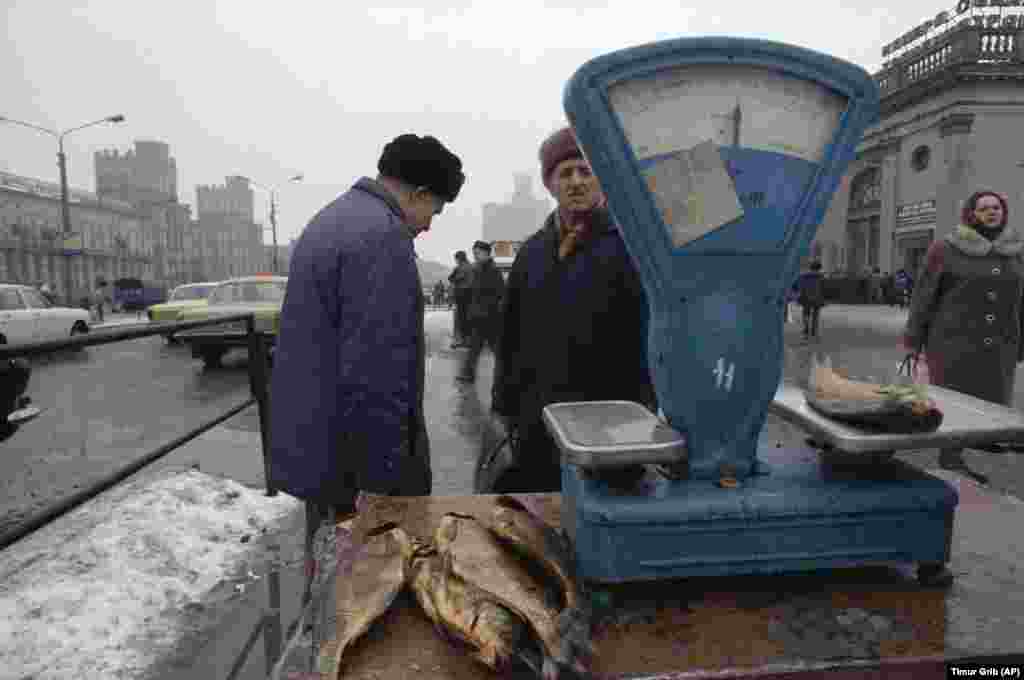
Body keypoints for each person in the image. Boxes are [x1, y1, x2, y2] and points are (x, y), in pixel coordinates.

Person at [268, 133, 464, 524]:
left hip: (321, 450)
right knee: (373, 560)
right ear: (420, 194)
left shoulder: (333, 218)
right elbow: (377, 370)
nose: (428, 226)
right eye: (435, 211)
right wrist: (383, 483)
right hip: (358, 470)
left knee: (332, 554)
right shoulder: (383, 236)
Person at [490, 127, 656, 493]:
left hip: (613, 425)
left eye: (585, 171)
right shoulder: (532, 253)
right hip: (539, 422)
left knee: (607, 511)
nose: (576, 182)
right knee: (540, 514)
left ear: (602, 179)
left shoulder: (633, 247)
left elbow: (654, 334)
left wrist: (649, 408)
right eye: (565, 173)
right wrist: (503, 405)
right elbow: (510, 336)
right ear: (550, 184)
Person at [904, 190, 1023, 485]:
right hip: (953, 340)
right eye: (984, 208)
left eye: (996, 207)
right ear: (971, 213)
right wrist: (913, 340)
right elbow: (923, 296)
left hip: (1000, 340)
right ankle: (950, 457)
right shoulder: (945, 248)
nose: (992, 212)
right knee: (955, 399)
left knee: (992, 393)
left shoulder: (1015, 249)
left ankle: (984, 436)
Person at [457, 240, 505, 383]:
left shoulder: (493, 270)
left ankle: (506, 375)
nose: (475, 256)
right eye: (474, 253)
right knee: (475, 347)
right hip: (480, 316)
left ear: (486, 253)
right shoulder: (479, 269)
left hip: (489, 317)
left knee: (494, 349)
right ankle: (468, 374)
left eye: (477, 253)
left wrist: (489, 311)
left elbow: (499, 294)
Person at [448, 250, 473, 347]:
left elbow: (453, 278)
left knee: (462, 319)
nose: (456, 261)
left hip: (463, 295)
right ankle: (466, 340)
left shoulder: (462, 267)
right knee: (466, 319)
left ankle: (464, 340)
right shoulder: (470, 266)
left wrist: (455, 275)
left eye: (456, 259)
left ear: (459, 258)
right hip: (468, 295)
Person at [796, 261, 826, 340]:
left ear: (810, 267)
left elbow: (800, 286)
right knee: (815, 315)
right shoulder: (821, 277)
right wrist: (824, 299)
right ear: (819, 268)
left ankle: (806, 330)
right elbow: (824, 289)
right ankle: (814, 332)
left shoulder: (803, 276)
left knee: (806, 314)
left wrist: (799, 296)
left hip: (806, 298)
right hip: (817, 298)